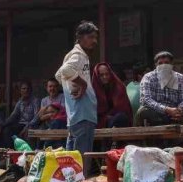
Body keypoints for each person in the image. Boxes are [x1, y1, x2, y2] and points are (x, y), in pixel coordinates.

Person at [54, 21, 99, 154]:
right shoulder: (79, 55)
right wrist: (82, 84)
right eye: (90, 37)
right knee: (81, 158)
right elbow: (65, 70)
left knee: (72, 160)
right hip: (83, 114)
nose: (94, 41)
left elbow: (58, 75)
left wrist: (71, 86)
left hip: (74, 116)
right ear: (80, 37)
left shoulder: (73, 54)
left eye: (95, 37)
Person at [135, 51, 183, 126]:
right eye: (160, 63)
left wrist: (180, 110)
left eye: (166, 62)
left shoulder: (180, 78)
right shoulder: (149, 77)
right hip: (157, 114)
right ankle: (169, 123)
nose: (163, 65)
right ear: (156, 65)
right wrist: (166, 110)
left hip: (176, 113)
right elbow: (146, 100)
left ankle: (174, 121)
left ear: (172, 64)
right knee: (143, 111)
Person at [92, 63, 133, 129]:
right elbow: (93, 112)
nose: (105, 77)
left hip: (116, 118)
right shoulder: (93, 90)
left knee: (121, 118)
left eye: (107, 74)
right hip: (100, 121)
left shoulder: (119, 86)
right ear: (97, 76)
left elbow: (123, 108)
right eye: (101, 75)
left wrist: (111, 116)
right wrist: (105, 118)